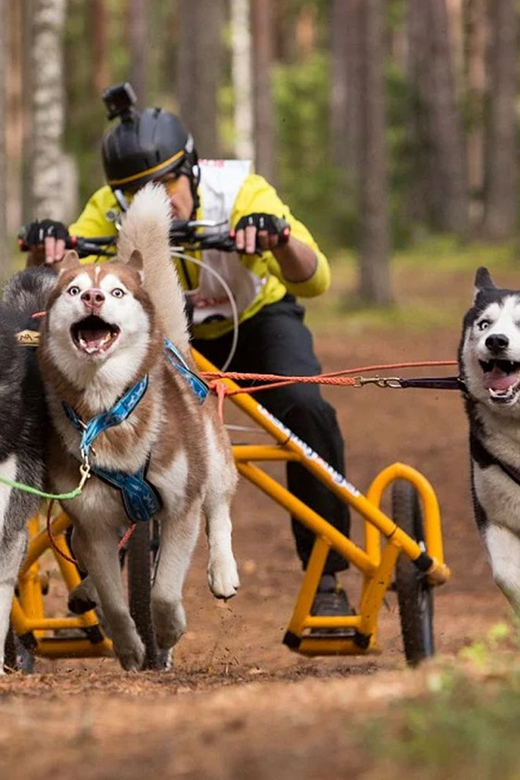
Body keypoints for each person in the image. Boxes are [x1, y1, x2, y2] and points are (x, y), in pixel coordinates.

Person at [23, 82, 353, 625]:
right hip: (158, 345)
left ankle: (329, 573)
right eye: (131, 191)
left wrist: (278, 236)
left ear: (194, 168)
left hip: (253, 324)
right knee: (96, 420)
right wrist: (52, 246)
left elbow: (313, 278)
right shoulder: (108, 208)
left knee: (306, 408)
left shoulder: (242, 191)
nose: (151, 197)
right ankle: (101, 553)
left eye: (165, 183)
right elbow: (66, 272)